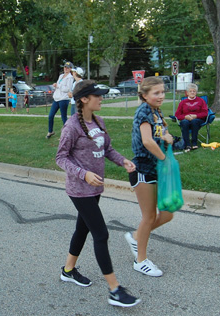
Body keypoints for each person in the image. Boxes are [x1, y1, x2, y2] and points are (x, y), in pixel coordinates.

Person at [56, 80, 140, 308]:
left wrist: (123, 161)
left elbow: (107, 149)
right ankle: (115, 290)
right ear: (84, 99)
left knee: (82, 230)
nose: (102, 98)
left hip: (95, 188)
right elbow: (61, 157)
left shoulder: (98, 121)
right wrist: (83, 174)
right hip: (80, 189)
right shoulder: (72, 126)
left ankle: (68, 270)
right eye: (98, 95)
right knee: (101, 235)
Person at [124, 76, 174, 277]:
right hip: (144, 168)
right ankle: (141, 260)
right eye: (156, 93)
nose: (161, 96)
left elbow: (157, 135)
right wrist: (164, 159)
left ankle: (136, 237)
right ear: (144, 95)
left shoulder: (156, 111)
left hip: (157, 168)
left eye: (162, 92)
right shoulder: (144, 111)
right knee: (149, 216)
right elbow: (146, 141)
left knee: (168, 213)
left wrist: (166, 138)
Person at [174, 83, 209, 150]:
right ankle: (187, 144)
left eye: (194, 91)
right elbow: (177, 115)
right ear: (187, 93)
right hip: (186, 119)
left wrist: (196, 116)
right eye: (190, 91)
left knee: (194, 121)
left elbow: (205, 113)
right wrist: (185, 117)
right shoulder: (183, 102)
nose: (192, 92)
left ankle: (194, 143)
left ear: (196, 92)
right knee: (184, 122)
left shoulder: (201, 101)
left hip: (198, 119)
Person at [46, 62, 74, 139]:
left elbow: (67, 89)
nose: (66, 69)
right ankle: (50, 131)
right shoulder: (61, 76)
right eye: (65, 67)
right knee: (50, 115)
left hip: (64, 99)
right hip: (57, 98)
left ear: (70, 69)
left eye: (67, 67)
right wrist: (56, 85)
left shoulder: (70, 78)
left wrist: (58, 86)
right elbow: (59, 86)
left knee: (63, 117)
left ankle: (67, 133)